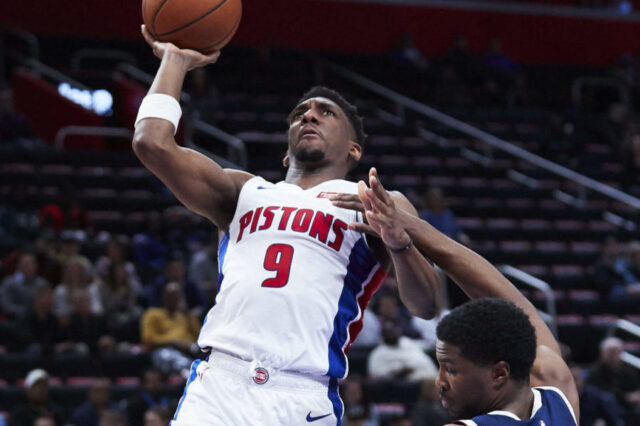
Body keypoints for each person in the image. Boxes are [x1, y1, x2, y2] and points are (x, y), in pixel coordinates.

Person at [132, 25, 441, 425]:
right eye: (300, 114)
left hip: (302, 394)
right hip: (219, 386)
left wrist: (400, 244)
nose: (309, 115)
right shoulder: (244, 190)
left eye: (325, 112)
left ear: (354, 149)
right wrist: (174, 59)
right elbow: (151, 143)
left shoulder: (376, 203)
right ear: (285, 151)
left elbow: (428, 305)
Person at [330, 167, 579, 425]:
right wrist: (405, 228)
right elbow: (513, 303)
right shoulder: (557, 396)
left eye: (451, 369)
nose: (440, 382)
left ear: (499, 373)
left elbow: (508, 299)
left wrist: (408, 230)